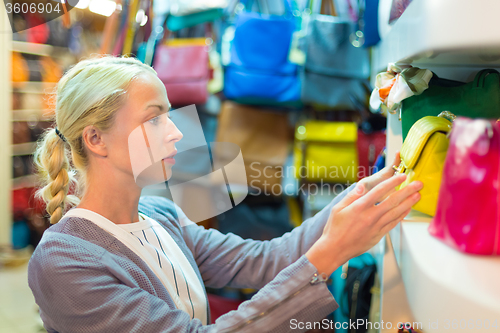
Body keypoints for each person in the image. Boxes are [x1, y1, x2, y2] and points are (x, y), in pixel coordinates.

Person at [28, 55, 422, 333]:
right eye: (154, 119)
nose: (177, 132)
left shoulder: (161, 216)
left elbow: (267, 260)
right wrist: (330, 254)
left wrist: (358, 193)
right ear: (96, 139)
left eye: (170, 114)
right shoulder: (64, 263)